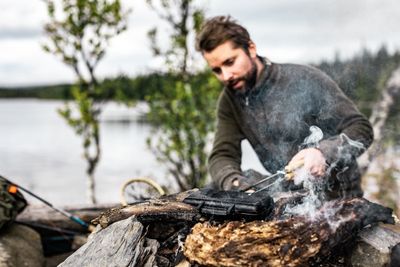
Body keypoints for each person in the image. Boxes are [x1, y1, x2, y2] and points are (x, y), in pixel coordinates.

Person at [195, 16, 373, 198]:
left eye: (230, 62)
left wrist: (322, 152)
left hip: (339, 197)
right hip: (287, 198)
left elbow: (361, 129)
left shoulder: (305, 78)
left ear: (251, 49)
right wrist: (234, 183)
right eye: (217, 70)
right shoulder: (230, 100)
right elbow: (222, 155)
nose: (226, 76)